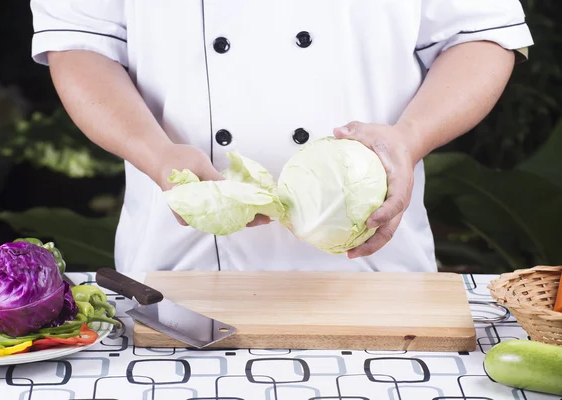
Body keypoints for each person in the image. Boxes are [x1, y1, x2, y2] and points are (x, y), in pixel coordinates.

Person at [29, 1, 533, 273]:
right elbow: (80, 46)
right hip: (183, 271)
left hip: (375, 273)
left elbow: (482, 36)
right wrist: (157, 153)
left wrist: (410, 138)